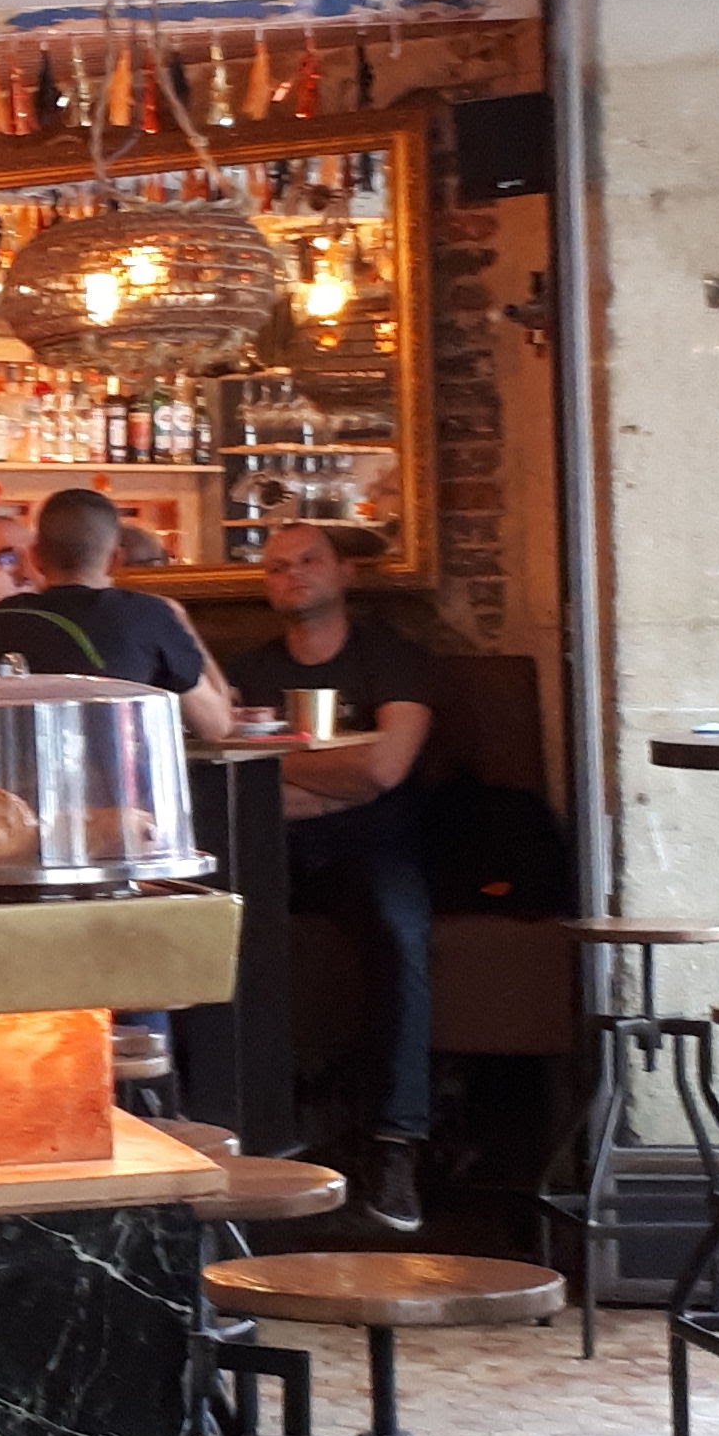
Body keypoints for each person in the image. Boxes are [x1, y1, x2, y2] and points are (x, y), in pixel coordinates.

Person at [226, 522, 442, 1229]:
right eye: (276, 566)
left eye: (308, 560)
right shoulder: (250, 669)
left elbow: (384, 768)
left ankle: (396, 1147)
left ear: (345, 572)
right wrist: (333, 781)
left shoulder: (392, 658)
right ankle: (246, 1136)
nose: (292, 574)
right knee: (215, 929)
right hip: (274, 842)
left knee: (397, 931)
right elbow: (230, 778)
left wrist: (278, 766)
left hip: (375, 844)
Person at [0, 488, 235, 739]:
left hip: (23, 782)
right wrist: (181, 620)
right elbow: (215, 726)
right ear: (115, 559)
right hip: (126, 781)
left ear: (35, 557)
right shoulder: (148, 616)